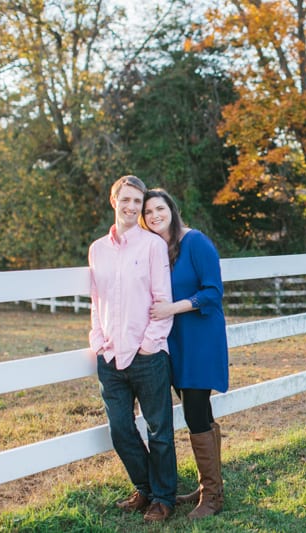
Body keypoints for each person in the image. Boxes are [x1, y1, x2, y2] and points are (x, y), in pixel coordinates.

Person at [88, 175, 177, 522]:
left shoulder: (152, 246)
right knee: (121, 430)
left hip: (148, 356)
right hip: (110, 357)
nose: (131, 207)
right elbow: (97, 302)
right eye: (125, 200)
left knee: (159, 431)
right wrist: (98, 341)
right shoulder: (97, 249)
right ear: (114, 201)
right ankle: (145, 489)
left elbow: (163, 300)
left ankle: (164, 498)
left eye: (137, 202)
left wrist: (149, 345)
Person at [141, 188, 229, 519]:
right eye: (147, 212)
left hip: (200, 338)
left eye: (159, 208)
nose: (154, 215)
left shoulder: (196, 242)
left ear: (172, 210)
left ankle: (213, 496)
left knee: (194, 409)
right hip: (173, 340)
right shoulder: (155, 249)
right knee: (197, 410)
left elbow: (213, 292)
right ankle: (211, 485)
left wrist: (172, 308)